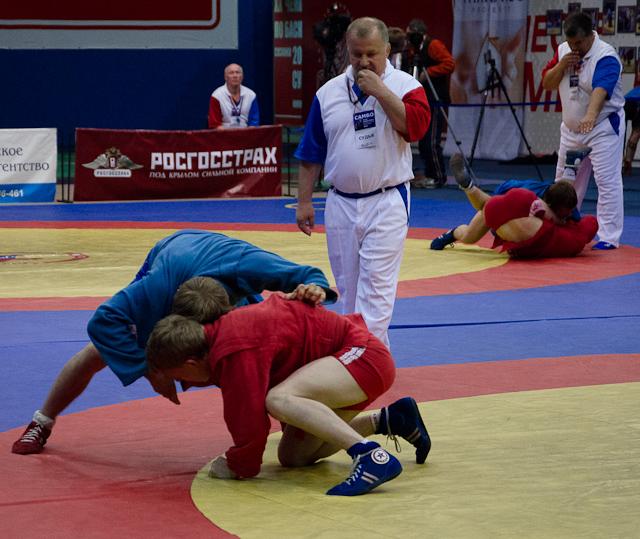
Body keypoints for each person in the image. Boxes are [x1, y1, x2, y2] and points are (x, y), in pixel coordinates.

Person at [12, 229, 337, 455]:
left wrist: (315, 288)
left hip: (218, 269)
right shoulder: (155, 290)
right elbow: (102, 322)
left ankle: (294, 419)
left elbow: (305, 273)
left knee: (248, 356)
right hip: (171, 255)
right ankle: (42, 421)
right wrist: (148, 369)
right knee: (95, 355)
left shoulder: (247, 265)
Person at [145, 286, 431, 496]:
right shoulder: (218, 341)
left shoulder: (233, 348)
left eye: (179, 378)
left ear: (191, 362)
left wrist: (238, 465)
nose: (183, 385)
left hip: (364, 356)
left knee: (278, 399)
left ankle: (370, 456)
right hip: (346, 366)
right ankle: (390, 419)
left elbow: (248, 418)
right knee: (294, 457)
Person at [295, 17, 430, 347]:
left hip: (386, 200)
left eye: (372, 54)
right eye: (357, 54)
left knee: (377, 292)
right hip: (340, 202)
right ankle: (362, 358)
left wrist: (381, 91)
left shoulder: (407, 87)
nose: (364, 61)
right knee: (349, 289)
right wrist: (304, 201)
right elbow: (311, 152)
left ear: (387, 50)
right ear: (347, 51)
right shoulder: (328, 93)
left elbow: (415, 129)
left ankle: (364, 357)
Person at [541, 11, 625, 250]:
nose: (574, 48)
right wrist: (561, 65)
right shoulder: (563, 51)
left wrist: (590, 115)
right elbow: (547, 83)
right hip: (570, 130)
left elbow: (601, 89)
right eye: (570, 43)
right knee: (564, 183)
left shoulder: (606, 56)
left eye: (578, 43)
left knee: (606, 181)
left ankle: (609, 237)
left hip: (602, 127)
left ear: (590, 36)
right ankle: (562, 224)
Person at [430, 154, 598, 258]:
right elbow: (492, 203)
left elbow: (574, 220)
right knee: (471, 234)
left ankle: (468, 187)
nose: (567, 216)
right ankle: (452, 231)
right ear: (550, 205)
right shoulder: (531, 195)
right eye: (564, 214)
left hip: (508, 202)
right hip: (504, 201)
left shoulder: (561, 199)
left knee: (470, 233)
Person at [402, 18, 455, 189]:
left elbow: (450, 63)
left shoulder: (434, 45)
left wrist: (429, 72)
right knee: (424, 141)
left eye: (411, 34)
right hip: (424, 99)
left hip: (436, 98)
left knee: (431, 141)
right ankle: (429, 173)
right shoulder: (413, 49)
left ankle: (438, 176)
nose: (409, 38)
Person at [207, 63, 260, 129]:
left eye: (237, 72)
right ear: (225, 77)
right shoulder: (216, 96)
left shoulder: (251, 95)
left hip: (246, 133)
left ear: (242, 76)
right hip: (224, 133)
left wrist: (247, 134)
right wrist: (231, 134)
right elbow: (215, 125)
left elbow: (253, 123)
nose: (235, 76)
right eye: (231, 73)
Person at [623, 87, 640, 176]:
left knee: (621, 134)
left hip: (626, 101)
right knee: (636, 132)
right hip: (637, 101)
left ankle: (622, 162)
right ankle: (628, 162)